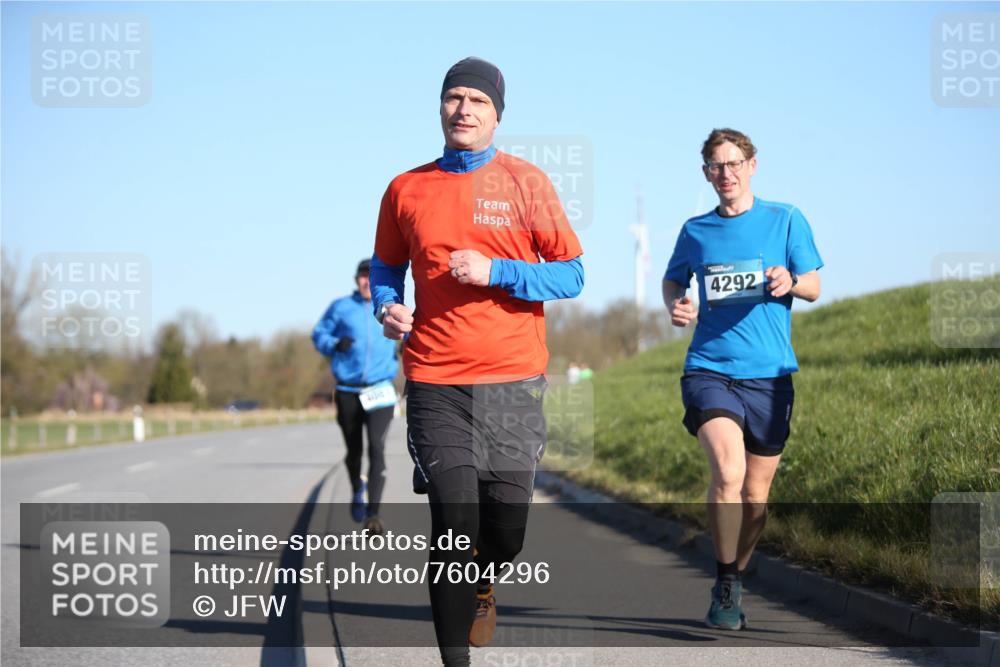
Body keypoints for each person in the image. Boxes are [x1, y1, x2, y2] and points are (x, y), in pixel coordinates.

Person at [370, 57, 584, 667]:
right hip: (435, 379)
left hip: (514, 380)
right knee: (454, 523)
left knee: (505, 533)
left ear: (497, 115)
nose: (463, 109)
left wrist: (498, 271)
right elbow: (385, 265)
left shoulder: (526, 182)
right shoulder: (405, 188)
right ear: (440, 106)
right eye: (454, 97)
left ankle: (483, 582)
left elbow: (571, 274)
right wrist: (387, 304)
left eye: (478, 101)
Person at [662, 128, 823, 630]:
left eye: (734, 163)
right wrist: (677, 304)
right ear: (706, 173)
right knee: (728, 473)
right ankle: (726, 579)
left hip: (770, 377)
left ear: (753, 166)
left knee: (755, 498)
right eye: (716, 165)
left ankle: (734, 575)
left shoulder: (786, 218)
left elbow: (814, 285)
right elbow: (673, 278)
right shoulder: (696, 230)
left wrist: (790, 281)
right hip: (710, 369)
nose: (726, 173)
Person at [312, 259, 399, 535]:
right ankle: (356, 486)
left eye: (370, 276)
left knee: (377, 447)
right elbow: (319, 334)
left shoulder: (391, 307)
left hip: (380, 390)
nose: (366, 281)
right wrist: (334, 343)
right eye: (362, 276)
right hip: (348, 390)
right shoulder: (341, 307)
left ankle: (374, 514)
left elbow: (411, 333)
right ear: (356, 280)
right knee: (354, 451)